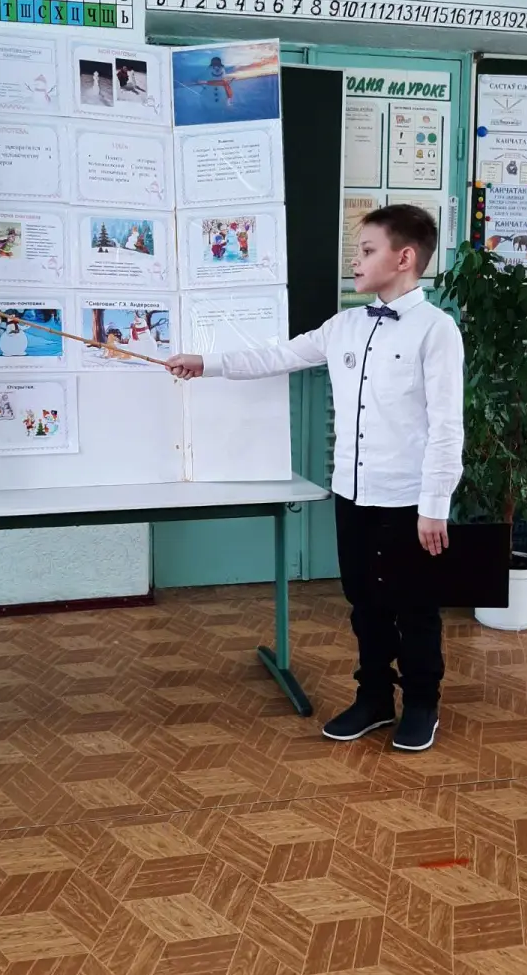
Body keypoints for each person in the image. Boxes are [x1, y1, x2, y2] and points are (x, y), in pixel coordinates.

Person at [165, 204, 464, 753]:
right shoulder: (344, 326)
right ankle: (375, 698)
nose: (356, 260)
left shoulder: (436, 330)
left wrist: (434, 504)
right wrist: (206, 363)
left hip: (409, 500)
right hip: (353, 493)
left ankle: (423, 703)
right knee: (364, 602)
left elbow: (447, 425)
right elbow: (276, 356)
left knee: (415, 605)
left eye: (367, 250)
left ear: (404, 258)